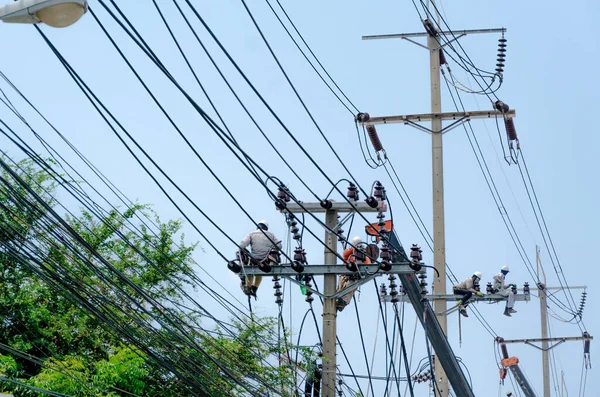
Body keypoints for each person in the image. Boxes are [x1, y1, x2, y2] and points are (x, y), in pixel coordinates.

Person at [238, 220, 282, 297]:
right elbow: (279, 246)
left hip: (254, 259)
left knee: (251, 270)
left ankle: (248, 286)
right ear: (266, 228)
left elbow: (241, 245)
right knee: (259, 272)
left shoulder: (251, 234)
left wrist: (245, 252)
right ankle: (254, 288)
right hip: (266, 260)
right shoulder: (271, 235)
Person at [336, 236, 370, 311]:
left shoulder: (363, 256)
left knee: (349, 290)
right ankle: (338, 301)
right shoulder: (349, 254)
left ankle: (342, 302)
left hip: (354, 278)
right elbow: (345, 254)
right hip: (344, 276)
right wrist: (354, 249)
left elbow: (369, 266)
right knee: (340, 290)